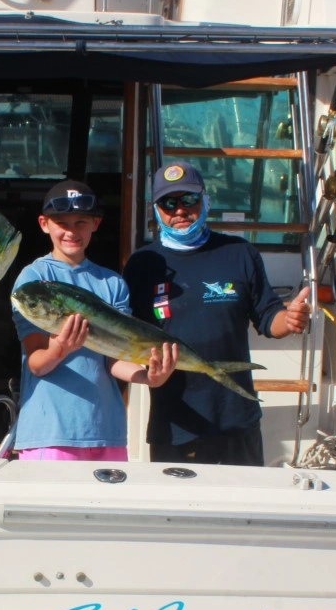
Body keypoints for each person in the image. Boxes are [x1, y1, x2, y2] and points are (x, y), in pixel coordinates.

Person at [122, 162, 310, 467]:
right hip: (175, 423)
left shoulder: (239, 252)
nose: (180, 210)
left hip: (237, 419)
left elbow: (267, 317)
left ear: (205, 200)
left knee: (244, 510)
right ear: (155, 209)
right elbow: (126, 335)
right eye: (169, 203)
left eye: (189, 200)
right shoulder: (142, 263)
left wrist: (289, 320)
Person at [10, 180, 176, 461]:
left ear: (95, 224)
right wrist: (61, 348)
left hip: (106, 429)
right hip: (51, 432)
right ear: (44, 224)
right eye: (61, 223)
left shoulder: (113, 282)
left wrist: (150, 378)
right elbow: (36, 363)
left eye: (80, 223)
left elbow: (114, 360)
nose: (71, 231)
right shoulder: (32, 281)